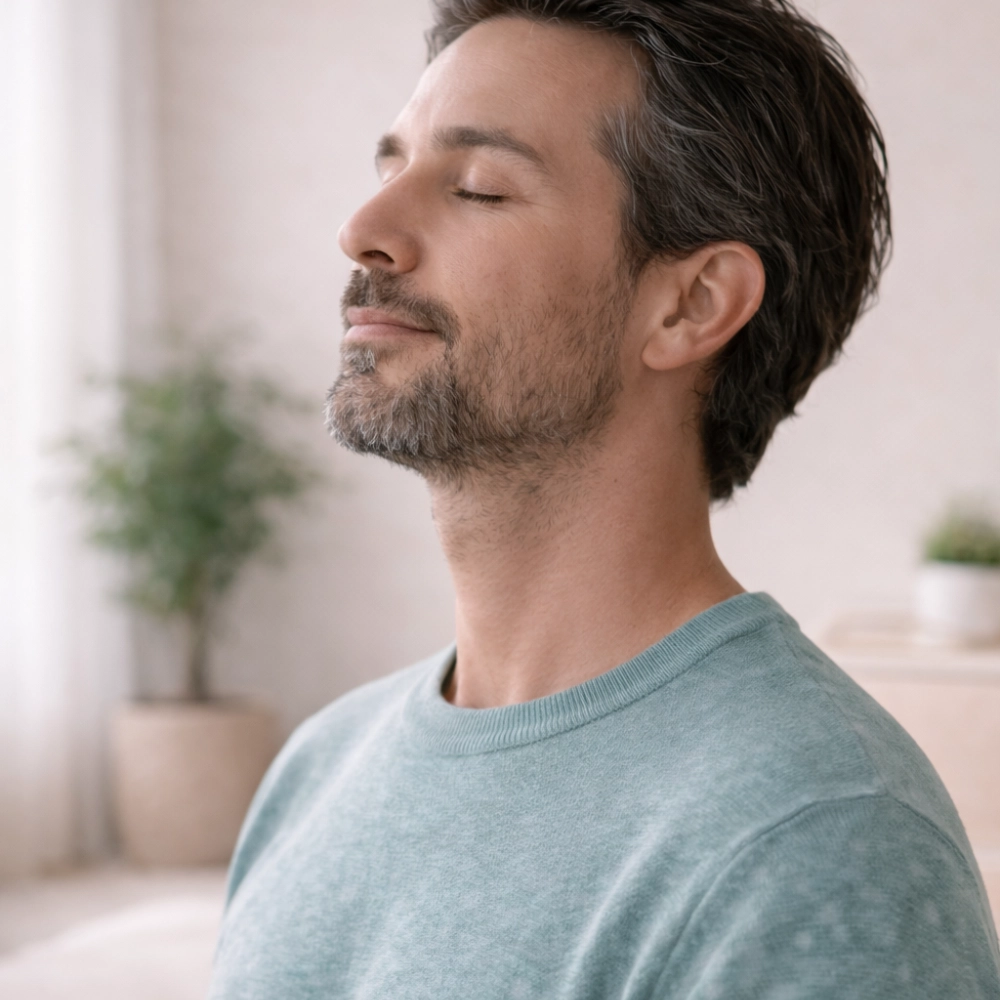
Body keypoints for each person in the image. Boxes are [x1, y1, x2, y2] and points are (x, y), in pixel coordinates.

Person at [209, 1, 1000, 996]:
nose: (363, 232)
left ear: (689, 303)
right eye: (389, 168)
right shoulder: (316, 769)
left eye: (478, 187)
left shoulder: (819, 838)